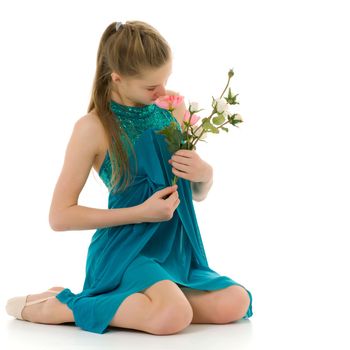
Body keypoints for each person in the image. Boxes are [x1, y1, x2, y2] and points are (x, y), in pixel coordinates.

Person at [5, 20, 253, 335]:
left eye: (166, 80)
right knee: (173, 316)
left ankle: (135, 301)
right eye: (152, 87)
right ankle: (64, 305)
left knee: (235, 301)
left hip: (174, 244)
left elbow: (195, 193)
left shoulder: (171, 108)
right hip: (127, 249)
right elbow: (59, 216)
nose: (163, 92)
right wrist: (141, 213)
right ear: (117, 78)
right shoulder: (92, 128)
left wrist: (204, 174)